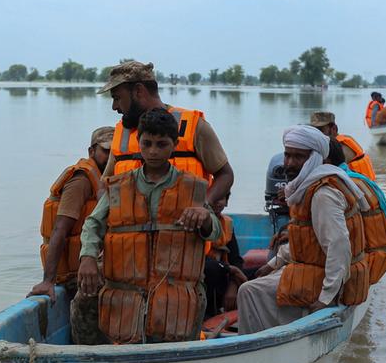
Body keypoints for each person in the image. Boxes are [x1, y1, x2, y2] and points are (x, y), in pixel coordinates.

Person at [78, 108, 221, 344]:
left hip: (176, 301)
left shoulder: (192, 188)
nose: (153, 151)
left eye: (161, 144)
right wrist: (88, 257)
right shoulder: (119, 187)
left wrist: (205, 217)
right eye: (147, 143)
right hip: (126, 299)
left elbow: (215, 230)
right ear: (138, 142)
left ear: (174, 144)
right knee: (84, 305)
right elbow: (93, 224)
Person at [237, 126, 370, 335]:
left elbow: (339, 247)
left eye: (298, 157)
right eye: (287, 155)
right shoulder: (307, 187)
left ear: (314, 159)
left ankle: (254, 347)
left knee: (249, 291)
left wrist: (326, 298)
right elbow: (309, 242)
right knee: (259, 281)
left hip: (331, 281)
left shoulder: (323, 194)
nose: (289, 163)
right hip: (316, 269)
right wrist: (273, 264)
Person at [97, 61, 234, 209]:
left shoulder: (192, 126)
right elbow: (104, 185)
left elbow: (225, 175)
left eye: (117, 98)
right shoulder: (121, 133)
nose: (114, 107)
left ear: (138, 91)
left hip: (184, 228)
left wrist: (204, 206)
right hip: (131, 229)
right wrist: (105, 214)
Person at [28, 126, 114, 345]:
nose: (110, 156)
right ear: (92, 151)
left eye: (115, 152)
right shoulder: (82, 180)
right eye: (106, 151)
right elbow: (60, 230)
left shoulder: (110, 179)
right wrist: (48, 280)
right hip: (77, 274)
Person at [203, 192, 249, 318]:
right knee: (212, 270)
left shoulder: (227, 224)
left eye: (221, 199)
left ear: (227, 202)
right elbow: (200, 261)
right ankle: (208, 314)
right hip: (206, 276)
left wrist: (233, 285)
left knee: (257, 274)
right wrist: (230, 269)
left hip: (224, 275)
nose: (217, 203)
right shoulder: (200, 222)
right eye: (214, 199)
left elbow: (236, 259)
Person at [309, 111, 377, 180]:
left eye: (320, 130)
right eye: (313, 130)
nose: (316, 134)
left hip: (360, 185)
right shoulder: (337, 141)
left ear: (334, 129)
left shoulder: (339, 148)